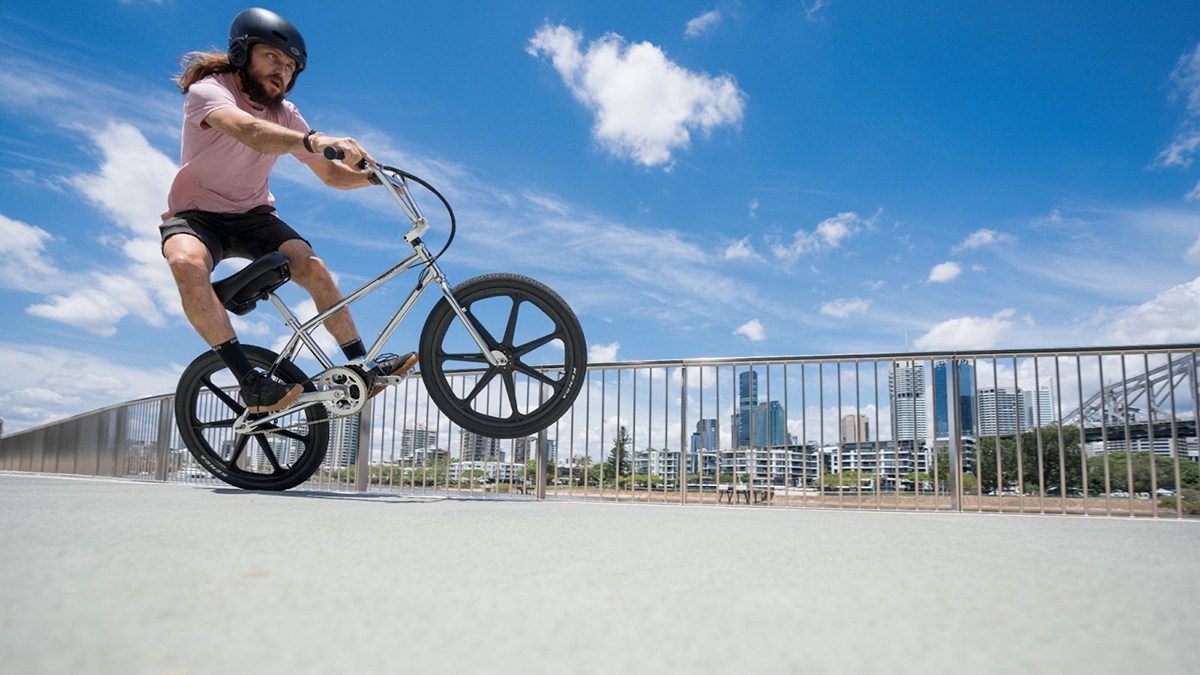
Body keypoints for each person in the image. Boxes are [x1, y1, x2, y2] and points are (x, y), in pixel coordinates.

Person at [161, 7, 415, 413]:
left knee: (312, 266)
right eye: (273, 58)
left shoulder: (287, 114)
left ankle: (360, 368)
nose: (283, 71)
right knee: (185, 263)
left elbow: (330, 176)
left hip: (253, 214)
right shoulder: (210, 91)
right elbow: (250, 131)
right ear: (243, 54)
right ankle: (251, 383)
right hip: (196, 216)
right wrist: (314, 140)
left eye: (291, 66)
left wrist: (373, 178)